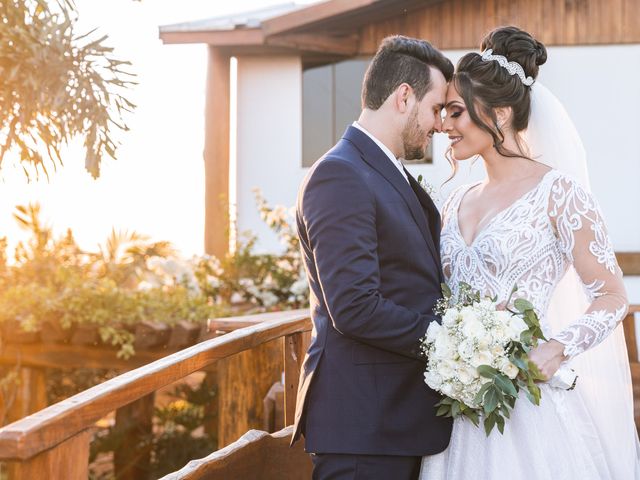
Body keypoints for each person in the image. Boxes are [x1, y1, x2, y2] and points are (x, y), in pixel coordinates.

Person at [421, 26, 640, 479]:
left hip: (530, 412)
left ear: (499, 114)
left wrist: (557, 348)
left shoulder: (559, 194)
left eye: (456, 112)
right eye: (442, 112)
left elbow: (613, 297)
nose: (444, 125)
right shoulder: (451, 202)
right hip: (456, 414)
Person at [291, 35, 454, 480]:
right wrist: (453, 341)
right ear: (404, 96)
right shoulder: (340, 174)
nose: (440, 124)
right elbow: (355, 307)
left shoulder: (385, 171)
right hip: (363, 427)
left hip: (394, 420)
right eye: (436, 108)